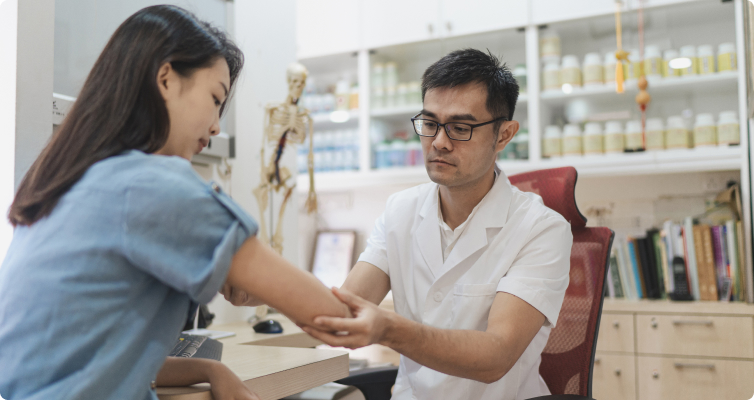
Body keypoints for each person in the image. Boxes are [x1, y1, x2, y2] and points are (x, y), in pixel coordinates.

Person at [0, 6, 348, 400]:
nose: (217, 126)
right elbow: (328, 313)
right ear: (165, 78)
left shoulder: (69, 178)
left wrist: (208, 369)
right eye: (216, 99)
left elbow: (95, 363)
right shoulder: (153, 184)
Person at [301, 49, 574, 399]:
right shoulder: (400, 210)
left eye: (460, 128)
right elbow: (343, 309)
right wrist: (257, 280)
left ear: (504, 135)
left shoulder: (542, 228)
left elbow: (496, 356)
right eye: (430, 124)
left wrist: (389, 329)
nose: (439, 142)